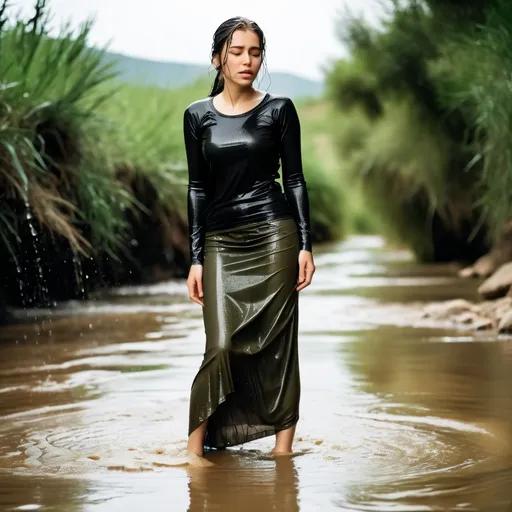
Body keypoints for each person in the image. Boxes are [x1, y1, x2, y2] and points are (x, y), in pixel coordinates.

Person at [183, 16, 315, 464]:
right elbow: (197, 188)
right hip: (222, 240)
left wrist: (305, 245)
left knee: (278, 345)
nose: (247, 61)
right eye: (237, 51)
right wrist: (196, 257)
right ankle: (194, 452)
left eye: (255, 52)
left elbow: (295, 180)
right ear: (218, 56)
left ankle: (282, 452)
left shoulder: (279, 110)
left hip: (275, 234)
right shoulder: (197, 116)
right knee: (219, 344)